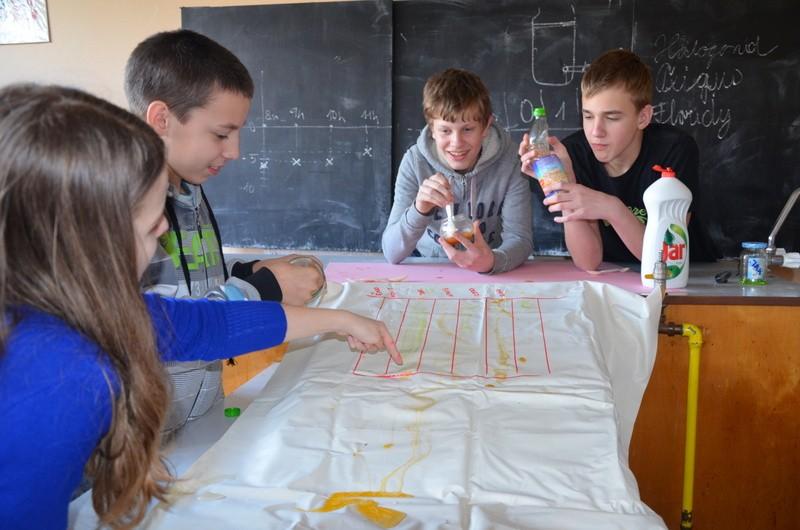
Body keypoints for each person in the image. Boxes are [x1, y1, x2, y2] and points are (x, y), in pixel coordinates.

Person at [0, 84, 401, 530]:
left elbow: (209, 326)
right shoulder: (60, 374)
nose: (164, 227)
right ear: (85, 239)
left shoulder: (89, 309)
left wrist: (340, 319)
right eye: (151, 222)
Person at [125, 29, 326, 426]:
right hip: (147, 430)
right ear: (162, 119)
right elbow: (169, 329)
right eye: (221, 134)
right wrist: (265, 289)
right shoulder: (131, 208)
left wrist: (249, 272)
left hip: (197, 416)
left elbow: (190, 281)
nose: (235, 151)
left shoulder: (190, 188)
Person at [519, 49, 717, 271]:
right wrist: (565, 184)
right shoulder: (573, 153)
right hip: (614, 274)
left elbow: (664, 259)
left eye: (611, 117)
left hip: (689, 277)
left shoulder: (674, 149)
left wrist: (612, 208)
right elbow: (588, 262)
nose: (596, 132)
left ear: (643, 117)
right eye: (588, 116)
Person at [382, 68, 533, 273]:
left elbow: (520, 239)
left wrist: (492, 262)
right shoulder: (414, 162)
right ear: (432, 129)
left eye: (468, 129)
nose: (457, 143)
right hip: (429, 269)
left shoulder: (511, 162)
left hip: (490, 273)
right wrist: (419, 209)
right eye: (445, 130)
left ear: (486, 126)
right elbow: (391, 252)